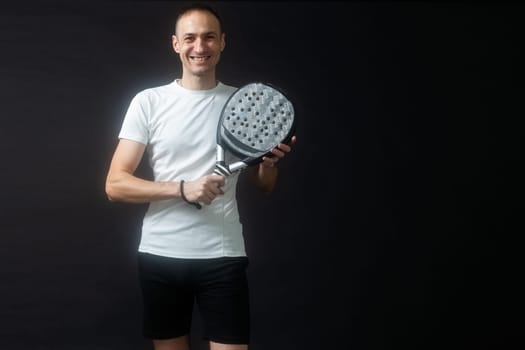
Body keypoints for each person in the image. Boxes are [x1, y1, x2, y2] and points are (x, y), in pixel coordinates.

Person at [105, 3, 296, 350]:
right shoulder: (149, 102)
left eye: (209, 37)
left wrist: (269, 164)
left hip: (223, 257)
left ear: (222, 42)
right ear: (176, 44)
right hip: (160, 255)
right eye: (190, 38)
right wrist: (183, 189)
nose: (200, 47)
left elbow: (265, 186)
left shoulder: (244, 104)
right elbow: (115, 184)